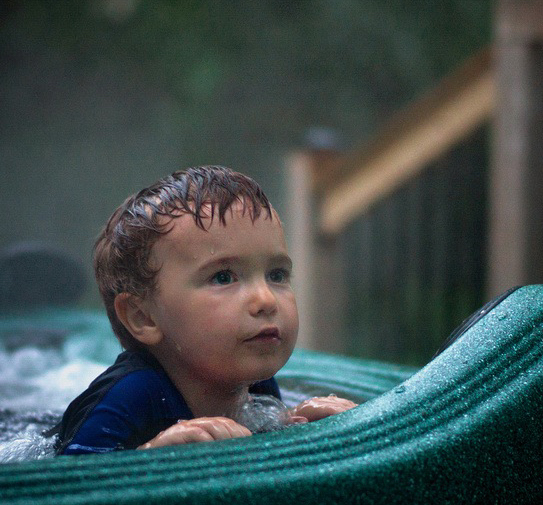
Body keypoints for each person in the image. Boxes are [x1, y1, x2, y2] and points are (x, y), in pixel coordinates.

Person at [51, 165, 355, 455]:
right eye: (223, 277)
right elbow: (68, 479)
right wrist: (149, 454)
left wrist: (292, 420)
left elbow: (260, 432)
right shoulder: (130, 394)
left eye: (276, 275)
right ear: (142, 316)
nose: (265, 300)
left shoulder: (254, 379)